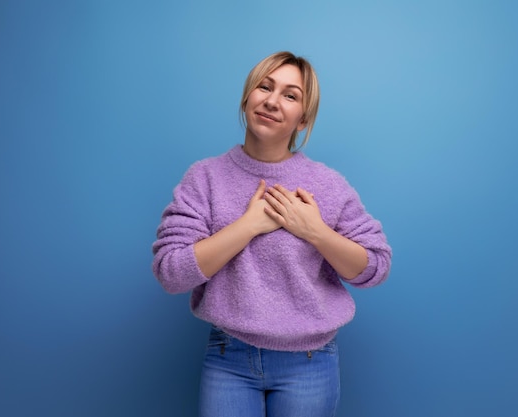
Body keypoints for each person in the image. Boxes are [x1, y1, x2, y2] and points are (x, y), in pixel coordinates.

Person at [152, 51, 392, 417]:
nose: (272, 101)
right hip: (227, 357)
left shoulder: (327, 185)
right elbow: (171, 273)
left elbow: (375, 267)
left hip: (310, 362)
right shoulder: (204, 178)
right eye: (264, 87)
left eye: (290, 95)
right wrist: (248, 226)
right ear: (248, 96)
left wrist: (315, 231)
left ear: (302, 120)